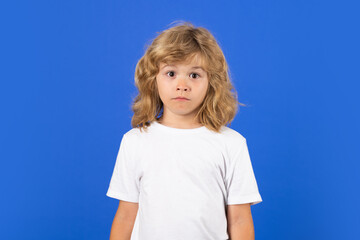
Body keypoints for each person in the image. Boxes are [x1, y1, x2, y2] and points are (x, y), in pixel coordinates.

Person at [106, 20, 263, 240]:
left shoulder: (231, 144)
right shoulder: (135, 142)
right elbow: (126, 215)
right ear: (153, 80)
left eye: (194, 75)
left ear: (212, 83)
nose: (182, 85)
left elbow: (239, 218)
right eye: (171, 73)